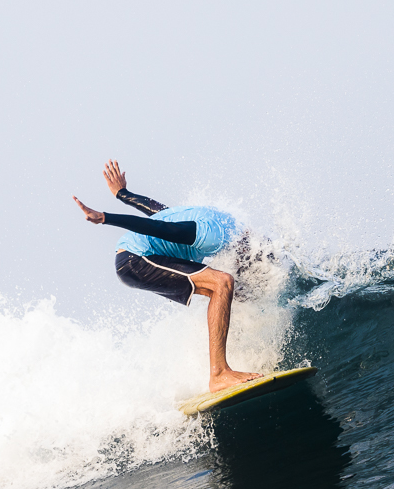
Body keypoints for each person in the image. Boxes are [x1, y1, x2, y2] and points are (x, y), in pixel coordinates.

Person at [73, 160, 262, 393]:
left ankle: (227, 366)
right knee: (222, 282)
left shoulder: (221, 220)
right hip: (136, 259)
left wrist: (123, 194)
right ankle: (219, 374)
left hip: (137, 258)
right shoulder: (213, 234)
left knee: (226, 289)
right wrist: (106, 217)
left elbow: (161, 213)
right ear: (245, 246)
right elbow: (161, 229)